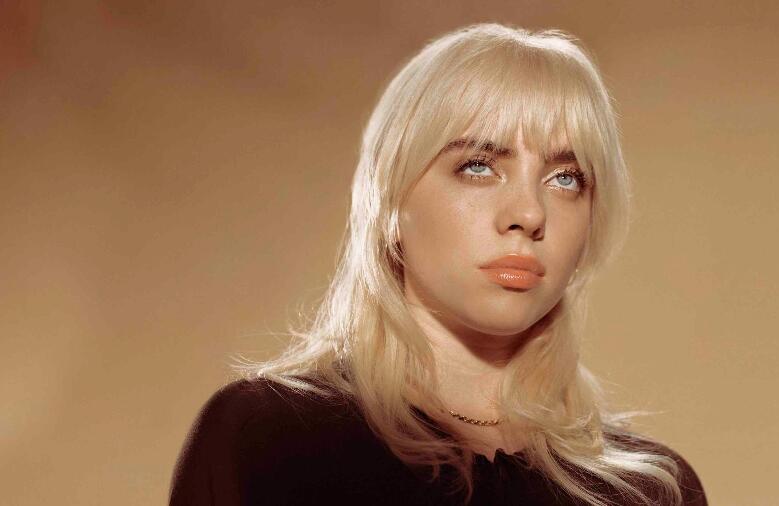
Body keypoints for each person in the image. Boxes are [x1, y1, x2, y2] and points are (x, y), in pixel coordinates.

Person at [169, 22, 708, 506]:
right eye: (479, 166)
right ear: (391, 199)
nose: (529, 214)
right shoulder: (267, 438)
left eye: (565, 179)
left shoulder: (653, 491)